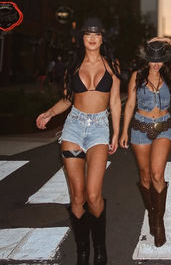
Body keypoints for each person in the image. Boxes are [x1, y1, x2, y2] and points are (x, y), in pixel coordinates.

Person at [36, 17, 121, 265]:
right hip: (73, 127)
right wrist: (50, 113)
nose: (92, 38)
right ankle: (83, 252)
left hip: (99, 129)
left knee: (94, 195)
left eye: (97, 34)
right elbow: (67, 99)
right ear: (81, 38)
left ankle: (100, 248)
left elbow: (115, 101)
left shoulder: (111, 65)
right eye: (88, 34)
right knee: (77, 196)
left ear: (102, 38)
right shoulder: (73, 65)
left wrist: (116, 132)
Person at [119, 37, 171, 247]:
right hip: (140, 128)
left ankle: (158, 223)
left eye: (160, 59)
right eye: (152, 59)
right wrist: (124, 132)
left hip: (164, 128)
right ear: (146, 59)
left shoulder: (169, 75)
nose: (156, 63)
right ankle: (152, 212)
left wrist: (167, 40)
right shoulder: (137, 76)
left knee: (158, 174)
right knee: (146, 177)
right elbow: (130, 104)